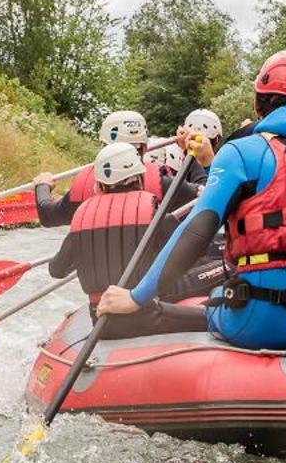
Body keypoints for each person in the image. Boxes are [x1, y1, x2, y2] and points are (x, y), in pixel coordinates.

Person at [97, 50, 286, 350]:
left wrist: (136, 296)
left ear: (257, 102)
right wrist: (207, 162)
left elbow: (197, 230)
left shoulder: (241, 151)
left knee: (213, 304)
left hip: (262, 322)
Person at [46, 143, 201, 337]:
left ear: (100, 185)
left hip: (101, 323)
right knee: (214, 313)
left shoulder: (83, 217)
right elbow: (188, 254)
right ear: (141, 177)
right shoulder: (153, 211)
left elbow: (57, 270)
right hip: (146, 315)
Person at [34, 109, 162, 226]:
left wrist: (42, 186)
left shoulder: (85, 185)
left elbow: (48, 216)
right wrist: (183, 149)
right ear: (145, 147)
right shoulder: (164, 183)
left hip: (101, 249)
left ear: (104, 145)